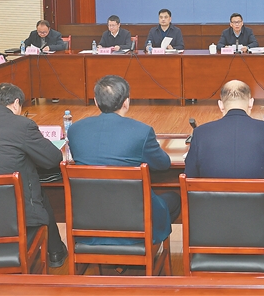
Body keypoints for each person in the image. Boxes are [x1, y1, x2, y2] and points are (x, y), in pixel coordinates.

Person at [0, 83, 68, 268]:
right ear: (16, 103)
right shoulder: (23, 125)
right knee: (39, 194)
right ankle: (56, 253)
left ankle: (56, 251)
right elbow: (52, 158)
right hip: (14, 212)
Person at [67, 75, 181, 246]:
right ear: (126, 102)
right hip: (135, 224)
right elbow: (163, 164)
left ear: (96, 102)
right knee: (174, 199)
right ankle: (143, 246)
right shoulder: (141, 132)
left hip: (89, 222)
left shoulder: (75, 130)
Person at [184, 80, 264, 247]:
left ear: (221, 105)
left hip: (210, 233)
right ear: (251, 103)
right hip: (259, 235)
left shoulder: (200, 134)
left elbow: (189, 181)